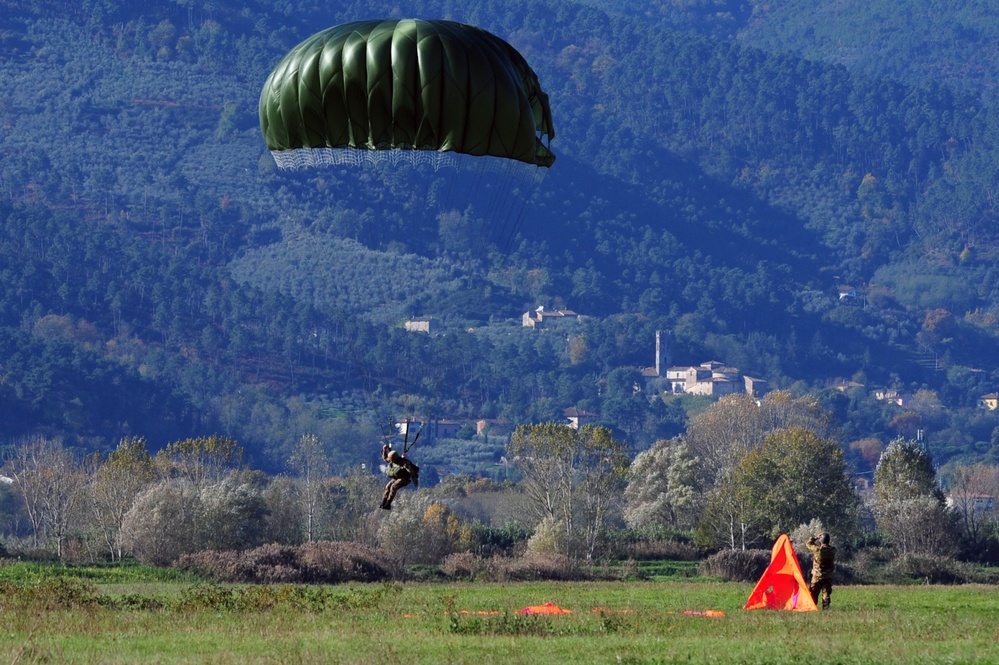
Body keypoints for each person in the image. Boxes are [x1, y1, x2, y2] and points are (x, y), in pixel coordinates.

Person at [380, 443, 419, 510]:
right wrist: (384, 450)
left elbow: (411, 472)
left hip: (404, 479)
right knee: (388, 486)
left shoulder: (404, 462)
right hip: (396, 477)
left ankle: (388, 504)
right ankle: (384, 501)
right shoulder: (392, 460)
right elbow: (385, 458)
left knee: (393, 487)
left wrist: (415, 482)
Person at [806, 532, 836, 609]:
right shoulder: (833, 550)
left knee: (813, 593)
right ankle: (826, 608)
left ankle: (812, 608)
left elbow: (808, 544)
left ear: (821, 540)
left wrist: (816, 537)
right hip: (828, 575)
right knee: (826, 593)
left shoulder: (818, 549)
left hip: (817, 576)